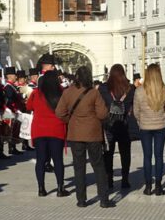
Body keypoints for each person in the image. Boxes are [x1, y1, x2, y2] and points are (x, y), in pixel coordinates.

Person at [56, 66, 113, 208]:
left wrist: (70, 120)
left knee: (79, 167)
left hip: (75, 134)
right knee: (98, 166)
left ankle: (81, 200)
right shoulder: (94, 93)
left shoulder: (68, 92)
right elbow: (102, 114)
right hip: (93, 133)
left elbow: (59, 112)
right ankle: (104, 199)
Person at [26, 70, 69, 197]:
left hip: (39, 130)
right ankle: (60, 188)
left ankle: (41, 188)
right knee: (58, 160)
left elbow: (28, 107)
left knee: (40, 160)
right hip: (56, 129)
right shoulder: (61, 92)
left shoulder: (36, 93)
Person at [133, 63, 165, 196]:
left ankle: (148, 186)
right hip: (160, 126)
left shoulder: (139, 91)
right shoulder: (163, 89)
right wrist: (164, 119)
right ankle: (159, 186)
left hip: (145, 127)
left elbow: (136, 111)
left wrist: (141, 121)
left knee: (147, 156)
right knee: (159, 156)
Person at [99, 64, 135, 190]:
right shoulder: (130, 89)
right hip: (125, 125)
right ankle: (125, 180)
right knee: (125, 153)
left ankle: (109, 179)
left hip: (109, 124)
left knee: (108, 153)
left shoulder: (103, 88)